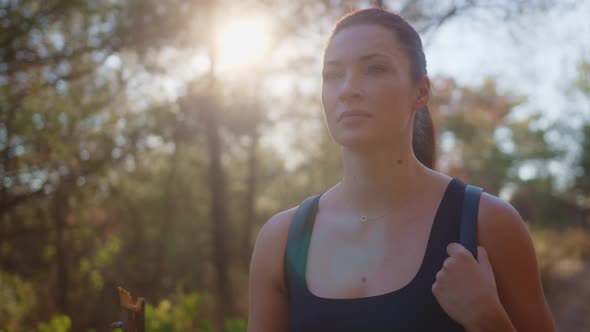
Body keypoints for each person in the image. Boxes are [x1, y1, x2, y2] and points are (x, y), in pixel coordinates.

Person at [247, 7, 556, 332]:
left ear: (420, 92)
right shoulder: (280, 241)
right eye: (333, 74)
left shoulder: (487, 223)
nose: (348, 88)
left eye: (374, 69)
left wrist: (489, 321)